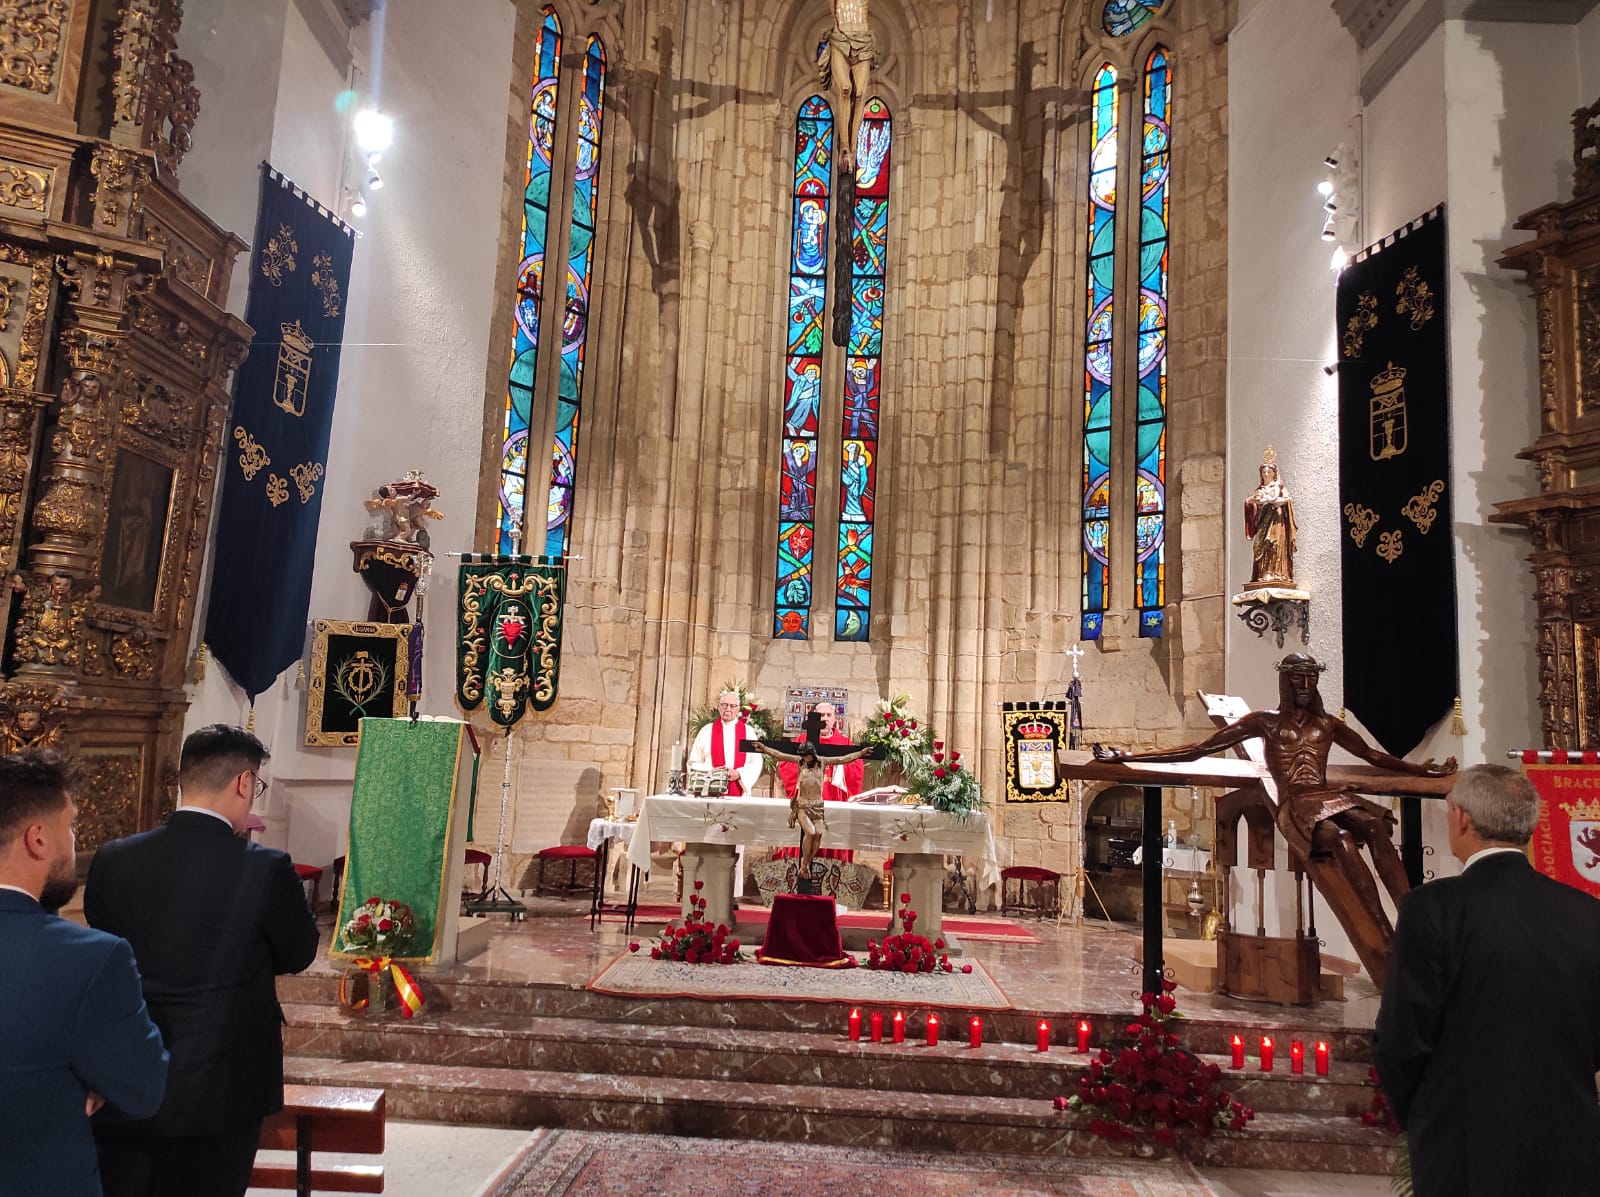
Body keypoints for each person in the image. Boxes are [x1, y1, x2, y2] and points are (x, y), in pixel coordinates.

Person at [1093, 653, 1455, 983]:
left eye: (1310, 677)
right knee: (1343, 842)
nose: (1304, 684)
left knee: (1375, 826)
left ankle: (1409, 914)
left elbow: (1374, 756)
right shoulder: (1264, 723)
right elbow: (1197, 750)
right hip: (1296, 805)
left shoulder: (1327, 725)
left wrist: (1424, 771)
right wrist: (1129, 755)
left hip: (1327, 795)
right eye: (1297, 677)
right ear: (1284, 680)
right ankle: (1380, 926)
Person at [85, 725, 321, 1197]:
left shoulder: (113, 859)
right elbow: (298, 953)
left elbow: (104, 945)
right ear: (243, 783)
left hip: (131, 1071)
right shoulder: (265, 868)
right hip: (225, 1084)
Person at [1374, 764, 1600, 1196]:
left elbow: (1402, 1038)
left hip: (1463, 1143)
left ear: (1461, 818)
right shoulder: (1587, 915)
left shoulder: (1432, 910)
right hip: (1568, 1144)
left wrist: (1423, 1113)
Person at [0, 750, 167, 1197]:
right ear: (38, 839)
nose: (75, 840)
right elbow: (141, 1087)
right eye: (71, 825)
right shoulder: (91, 959)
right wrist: (87, 1078)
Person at [755, 739, 871, 884]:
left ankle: (805, 865)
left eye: (806, 756)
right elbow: (780, 755)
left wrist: (861, 753)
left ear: (812, 754)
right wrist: (765, 748)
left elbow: (843, 759)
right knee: (810, 832)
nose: (805, 758)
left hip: (817, 805)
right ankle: (804, 864)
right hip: (803, 805)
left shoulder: (822, 762)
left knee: (819, 833)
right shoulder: (800, 762)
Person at [775, 703, 864, 865]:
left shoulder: (845, 744)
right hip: (806, 802)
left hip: (834, 804)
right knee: (806, 838)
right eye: (821, 715)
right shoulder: (801, 742)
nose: (824, 719)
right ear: (813, 719)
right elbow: (785, 764)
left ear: (835, 720)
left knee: (828, 841)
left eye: (828, 715)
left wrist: (839, 770)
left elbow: (856, 767)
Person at [818, 0, 877, 170]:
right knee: (845, 88)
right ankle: (844, 145)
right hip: (839, 38)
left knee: (859, 95)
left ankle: (853, 149)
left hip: (863, 40)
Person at [687, 691, 763, 797]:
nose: (728, 709)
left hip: (737, 791)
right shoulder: (706, 731)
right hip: (709, 791)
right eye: (724, 705)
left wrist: (739, 774)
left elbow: (756, 763)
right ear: (719, 707)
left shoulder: (748, 732)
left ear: (738, 709)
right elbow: (694, 763)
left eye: (732, 706)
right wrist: (714, 773)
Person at [1243, 446, 1297, 589]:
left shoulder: (1279, 486)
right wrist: (1250, 503)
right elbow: (1253, 503)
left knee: (1273, 543)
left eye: (1269, 471)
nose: (1266, 474)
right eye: (1263, 472)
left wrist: (1279, 502)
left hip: (1276, 522)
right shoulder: (1259, 490)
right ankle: (1262, 573)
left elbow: (1287, 500)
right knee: (1259, 545)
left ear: (1274, 473)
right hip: (1263, 521)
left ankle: (1274, 573)